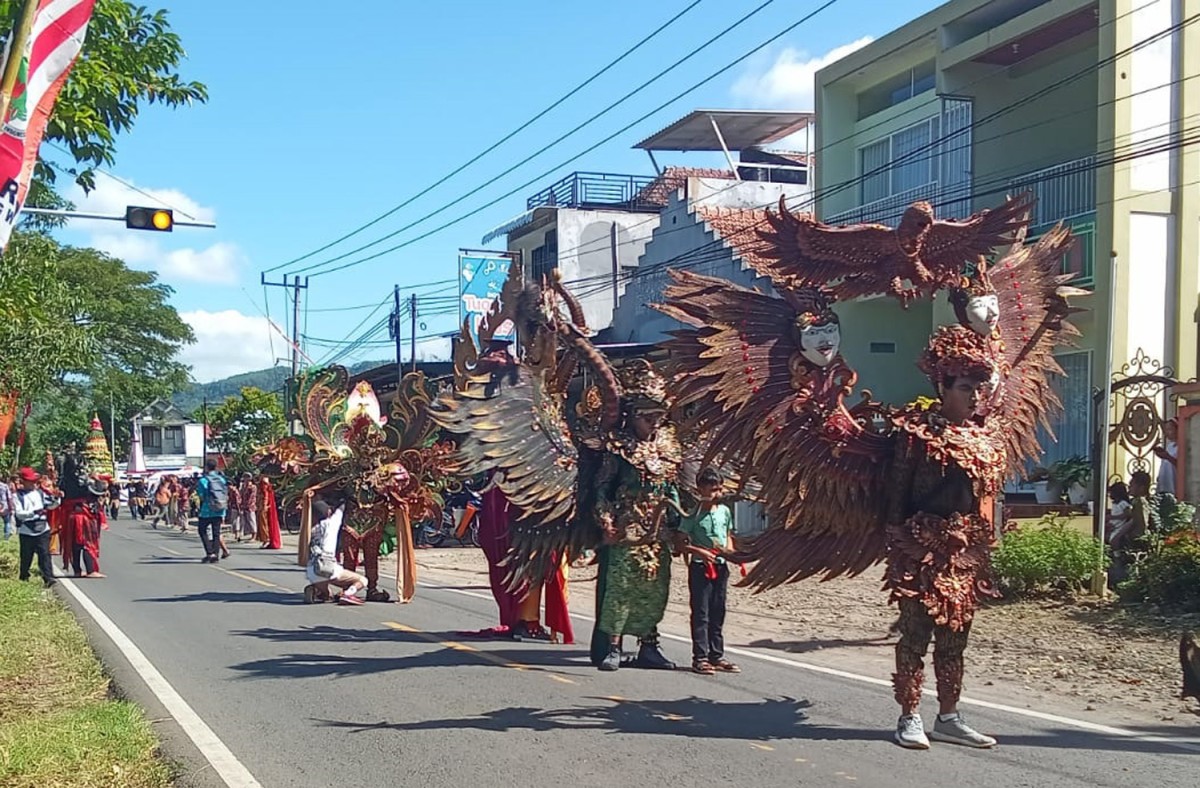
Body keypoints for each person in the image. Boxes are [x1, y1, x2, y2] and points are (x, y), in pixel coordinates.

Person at [676, 467, 740, 676]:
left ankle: (716, 655)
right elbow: (680, 542)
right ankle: (700, 657)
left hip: (721, 566)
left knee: (718, 611)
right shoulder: (692, 514)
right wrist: (698, 551)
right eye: (712, 490)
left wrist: (730, 551)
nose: (717, 494)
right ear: (699, 489)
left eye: (719, 489)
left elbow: (728, 534)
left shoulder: (724, 511)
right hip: (700, 567)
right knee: (701, 612)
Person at [303, 498, 367, 605]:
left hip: (311, 571)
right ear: (327, 512)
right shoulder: (330, 524)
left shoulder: (310, 529)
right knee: (363, 580)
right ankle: (348, 594)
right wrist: (343, 499)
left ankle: (317, 590)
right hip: (328, 568)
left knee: (328, 596)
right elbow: (339, 511)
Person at [12, 467, 61, 586]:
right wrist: (34, 512)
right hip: (27, 529)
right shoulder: (17, 496)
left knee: (45, 554)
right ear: (23, 481)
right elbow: (19, 513)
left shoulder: (40, 493)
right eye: (30, 481)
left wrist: (57, 499)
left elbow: (50, 505)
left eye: (34, 481)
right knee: (26, 556)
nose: (33, 483)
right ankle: (24, 577)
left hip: (42, 528)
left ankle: (48, 578)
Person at [196, 460, 229, 563]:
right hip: (219, 508)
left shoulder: (203, 480)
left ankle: (209, 553)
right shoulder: (222, 479)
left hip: (206, 510)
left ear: (206, 467)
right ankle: (215, 554)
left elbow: (201, 496)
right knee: (216, 532)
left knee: (202, 530)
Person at [1155, 419, 1178, 497]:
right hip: (1164, 483)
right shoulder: (1170, 446)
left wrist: (1167, 457)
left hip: (1174, 483)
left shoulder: (1181, 447)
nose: (1167, 433)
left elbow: (1181, 465)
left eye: (1169, 429)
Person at [257, 476, 282, 550]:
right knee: (264, 523)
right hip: (262, 506)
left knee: (264, 524)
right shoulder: (264, 481)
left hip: (264, 507)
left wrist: (264, 505)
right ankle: (266, 540)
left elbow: (265, 495)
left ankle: (266, 540)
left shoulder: (264, 483)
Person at [236, 472, 258, 542]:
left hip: (250, 506)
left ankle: (254, 535)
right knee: (243, 521)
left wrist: (247, 505)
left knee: (252, 520)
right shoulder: (243, 486)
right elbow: (240, 495)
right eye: (245, 477)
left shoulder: (253, 487)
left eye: (247, 477)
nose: (246, 479)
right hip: (243, 506)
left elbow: (252, 497)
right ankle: (245, 534)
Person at [0, 473, 13, 540]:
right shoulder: (4, 486)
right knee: (7, 522)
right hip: (4, 507)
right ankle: (6, 537)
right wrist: (11, 507)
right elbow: (9, 497)